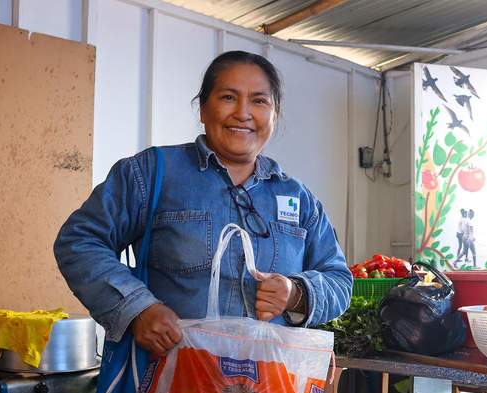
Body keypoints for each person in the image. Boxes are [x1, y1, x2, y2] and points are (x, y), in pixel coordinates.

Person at [54, 50, 352, 358]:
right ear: (203, 108)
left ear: (274, 115)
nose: (243, 113)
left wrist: (296, 293)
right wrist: (139, 308)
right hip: (170, 384)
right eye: (228, 97)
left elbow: (339, 280)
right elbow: (80, 241)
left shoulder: (298, 198)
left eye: (260, 101)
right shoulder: (152, 172)